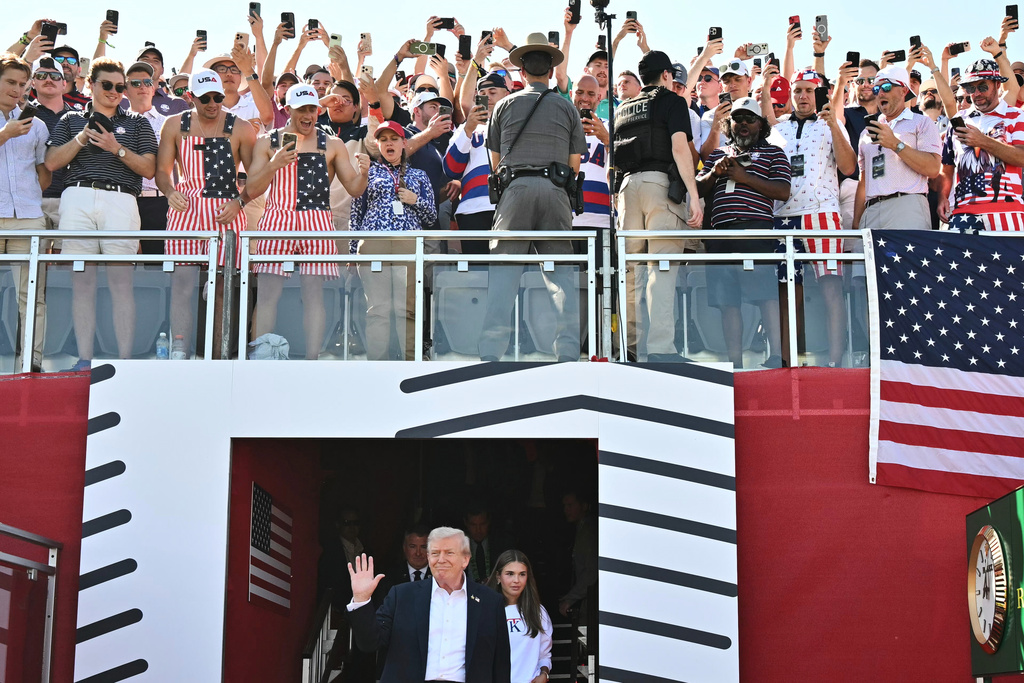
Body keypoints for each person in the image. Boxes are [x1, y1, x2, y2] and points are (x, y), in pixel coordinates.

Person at [479, 32, 586, 362]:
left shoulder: (505, 105)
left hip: (515, 191)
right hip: (554, 191)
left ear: (521, 72)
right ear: (551, 72)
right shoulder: (566, 107)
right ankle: (567, 353)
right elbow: (574, 163)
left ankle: (491, 354)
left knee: (503, 277)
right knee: (561, 279)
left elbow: (495, 162)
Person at [45, 57, 158, 370]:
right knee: (82, 282)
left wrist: (115, 147)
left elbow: (149, 168)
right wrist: (82, 137)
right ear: (91, 84)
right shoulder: (69, 119)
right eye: (107, 85)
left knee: (122, 282)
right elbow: (52, 162)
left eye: (120, 87)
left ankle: (123, 362)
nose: (114, 91)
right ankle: (84, 359)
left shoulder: (137, 122)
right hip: (77, 196)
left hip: (121, 200)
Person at [244, 83, 369, 359]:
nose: (308, 114)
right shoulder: (268, 141)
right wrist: (274, 164)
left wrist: (364, 173)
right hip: (277, 217)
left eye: (312, 108)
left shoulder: (333, 144)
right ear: (288, 109)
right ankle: (261, 359)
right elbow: (251, 188)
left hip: (317, 220)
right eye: (302, 108)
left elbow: (355, 189)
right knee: (267, 294)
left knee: (313, 295)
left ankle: (311, 360)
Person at [155, 70, 257, 357]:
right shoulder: (173, 124)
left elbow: (256, 177)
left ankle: (219, 351)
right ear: (190, 97)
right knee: (182, 283)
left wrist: (239, 201)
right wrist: (170, 191)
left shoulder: (242, 127)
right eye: (206, 98)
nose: (213, 104)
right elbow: (162, 172)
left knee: (225, 286)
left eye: (218, 98)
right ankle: (179, 347)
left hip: (227, 210)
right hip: (186, 210)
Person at [764, 67, 857, 367]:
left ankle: (834, 362)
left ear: (819, 93)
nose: (803, 96)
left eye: (808, 91)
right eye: (798, 91)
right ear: (790, 95)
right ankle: (788, 360)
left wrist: (833, 126)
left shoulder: (832, 124)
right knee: (787, 288)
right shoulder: (779, 129)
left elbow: (848, 168)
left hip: (822, 213)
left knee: (831, 285)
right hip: (784, 215)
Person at [613, 50, 702, 362]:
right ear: (667, 75)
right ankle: (662, 349)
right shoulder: (673, 101)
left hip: (626, 190)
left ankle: (629, 346)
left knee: (631, 271)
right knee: (661, 267)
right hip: (658, 186)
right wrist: (692, 193)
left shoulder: (622, 109)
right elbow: (680, 148)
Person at [696, 96, 791, 369]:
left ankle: (776, 357)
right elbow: (699, 189)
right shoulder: (717, 153)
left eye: (750, 119)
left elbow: (783, 191)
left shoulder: (774, 153)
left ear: (761, 125)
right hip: (720, 235)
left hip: (755, 232)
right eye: (737, 119)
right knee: (727, 302)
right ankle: (734, 364)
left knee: (765, 295)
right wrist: (714, 173)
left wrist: (744, 177)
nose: (743, 124)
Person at [347, 527, 512, 683]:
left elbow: (501, 664)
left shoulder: (490, 602)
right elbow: (369, 643)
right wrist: (361, 600)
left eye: (449, 553)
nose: (441, 559)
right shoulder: (401, 595)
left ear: (465, 559)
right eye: (435, 553)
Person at [349, 120, 435, 360]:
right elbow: (356, 211)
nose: (389, 143)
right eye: (384, 139)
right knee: (378, 309)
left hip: (408, 242)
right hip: (373, 242)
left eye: (394, 138)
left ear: (404, 143)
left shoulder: (419, 175)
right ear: (377, 145)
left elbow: (432, 217)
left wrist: (414, 200)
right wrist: (352, 250)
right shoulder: (369, 172)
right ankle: (378, 365)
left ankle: (411, 361)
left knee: (406, 308)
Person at [0, 53, 51, 372]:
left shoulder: (38, 124)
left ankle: (30, 361)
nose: (17, 89)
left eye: (22, 84)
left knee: (31, 293)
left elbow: (44, 171)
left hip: (28, 217)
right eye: (10, 82)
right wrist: (6, 134)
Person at [939, 56, 1024, 232]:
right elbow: (947, 167)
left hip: (1008, 212)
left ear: (998, 85)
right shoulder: (957, 121)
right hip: (963, 213)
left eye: (982, 87)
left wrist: (983, 141)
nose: (976, 94)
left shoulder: (1016, 115)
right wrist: (942, 196)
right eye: (971, 87)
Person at [852, 65, 941, 231]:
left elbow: (933, 168)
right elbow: (864, 181)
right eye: (877, 89)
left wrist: (896, 145)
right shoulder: (867, 132)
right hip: (871, 210)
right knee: (863, 258)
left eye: (886, 87)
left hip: (907, 206)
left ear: (903, 90)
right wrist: (857, 222)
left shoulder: (922, 122)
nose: (881, 93)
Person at [444, 73, 509, 255]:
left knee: (509, 270)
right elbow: (451, 169)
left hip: (509, 207)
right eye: (482, 92)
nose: (487, 97)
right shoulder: (465, 128)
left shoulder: (516, 125)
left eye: (493, 92)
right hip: (473, 210)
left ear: (506, 94)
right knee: (477, 274)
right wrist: (468, 129)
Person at [486, 550, 553, 683]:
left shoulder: (538, 612)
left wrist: (544, 674)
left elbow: (544, 654)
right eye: (510, 574)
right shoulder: (485, 610)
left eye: (522, 574)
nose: (516, 580)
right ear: (498, 577)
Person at [124, 61, 168, 256]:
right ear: (125, 90)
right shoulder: (116, 123)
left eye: (147, 82)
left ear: (154, 87)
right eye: (135, 83)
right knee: (123, 266)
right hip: (124, 200)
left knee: (157, 266)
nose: (142, 86)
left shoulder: (168, 123)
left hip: (158, 203)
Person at [558, 491, 596, 618]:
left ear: (584, 506)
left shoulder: (589, 531)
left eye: (570, 505)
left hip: (591, 600)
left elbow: (591, 571)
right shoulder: (581, 529)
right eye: (564, 506)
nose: (566, 510)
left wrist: (570, 599)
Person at [464, 506, 514, 582]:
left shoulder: (501, 544)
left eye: (482, 524)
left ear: (489, 522)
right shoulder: (459, 546)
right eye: (473, 525)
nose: (478, 530)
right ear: (466, 523)